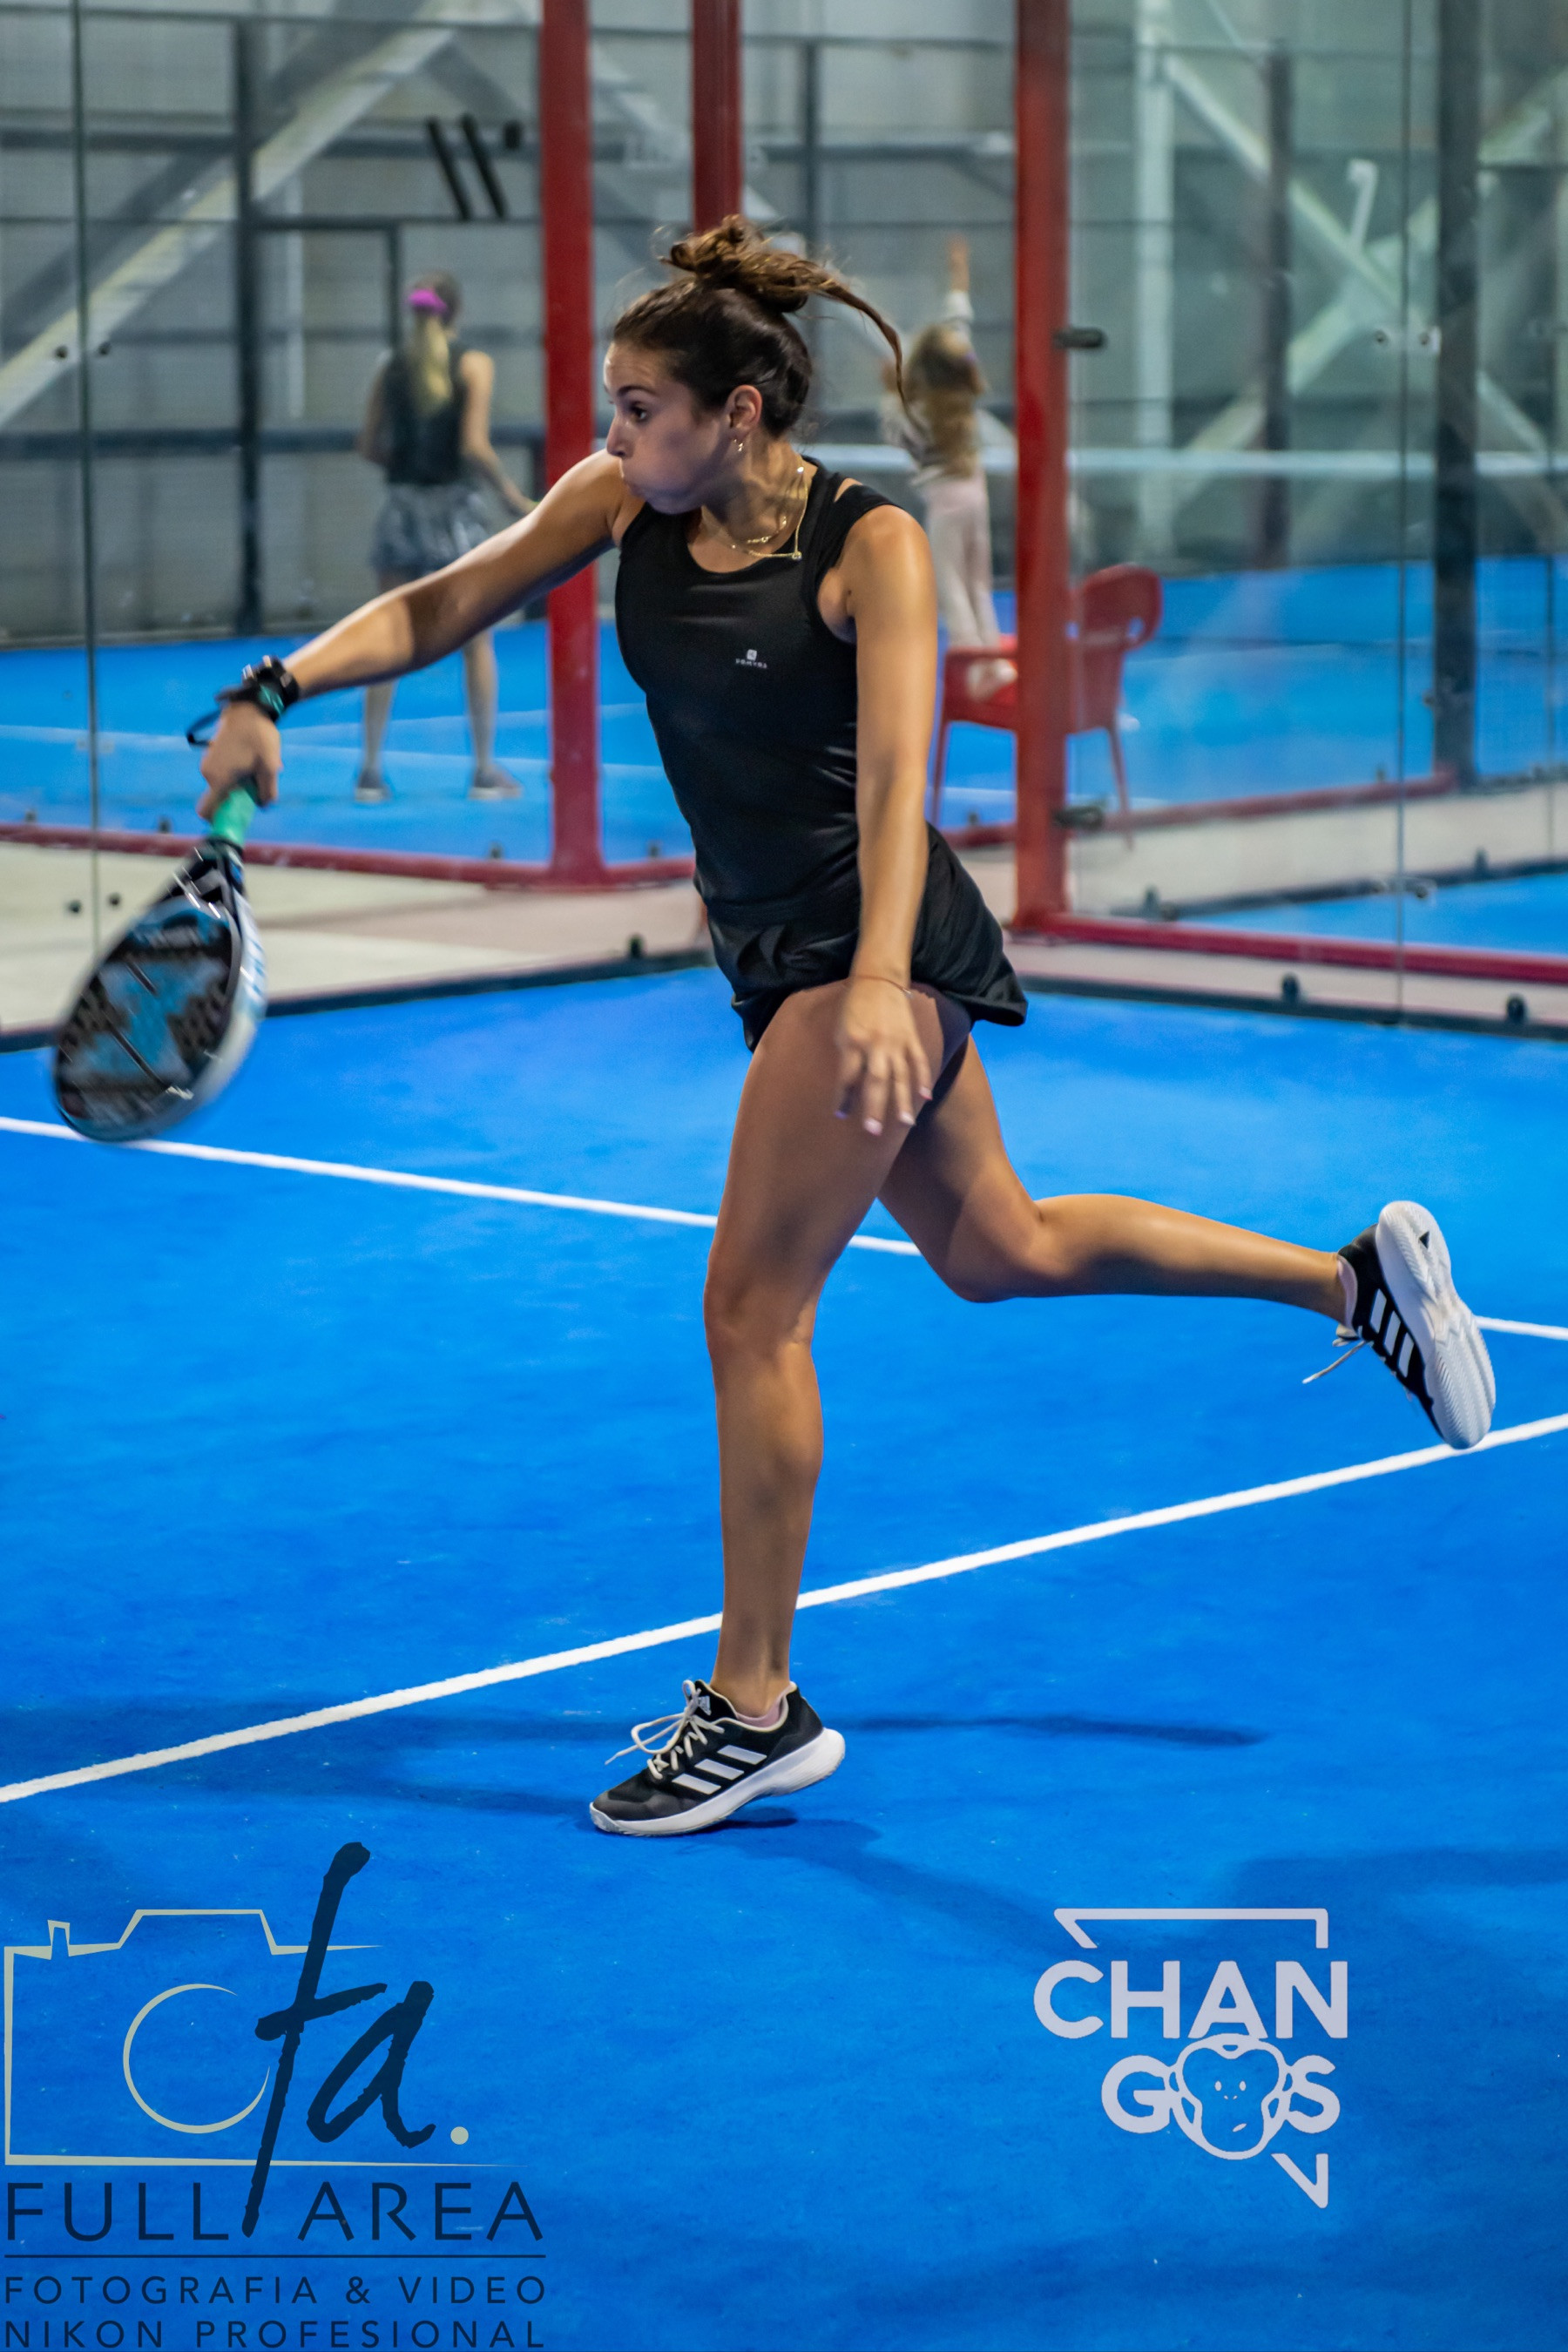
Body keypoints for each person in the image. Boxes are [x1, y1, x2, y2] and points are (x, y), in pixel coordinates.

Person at [199, 218, 1497, 1840]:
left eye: (640, 408)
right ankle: (1352, 1281)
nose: (612, 434)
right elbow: (446, 600)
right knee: (1002, 1249)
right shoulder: (623, 503)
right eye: (613, 407)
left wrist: (881, 983)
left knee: (752, 1311)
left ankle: (757, 1708)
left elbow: (898, 779)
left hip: (864, 948)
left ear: (739, 412)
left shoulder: (865, 543)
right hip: (784, 957)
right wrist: (273, 686)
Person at [355, 273, 534, 803]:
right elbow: (474, 445)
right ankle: (482, 770)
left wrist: (407, 470)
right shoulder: (474, 364)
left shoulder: (390, 365)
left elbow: (368, 445)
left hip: (402, 511)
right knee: (476, 640)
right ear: (457, 313)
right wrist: (511, 496)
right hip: (455, 513)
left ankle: (370, 771)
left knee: (386, 635)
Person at [884, 236, 1013, 695]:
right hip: (974, 494)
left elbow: (896, 428)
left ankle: (973, 668)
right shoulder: (962, 396)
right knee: (978, 583)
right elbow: (959, 325)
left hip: (944, 503)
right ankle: (994, 661)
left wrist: (894, 383)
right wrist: (959, 279)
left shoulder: (914, 412)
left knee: (951, 588)